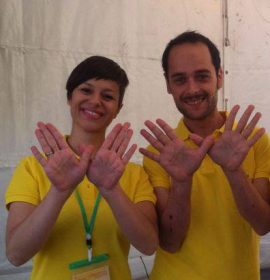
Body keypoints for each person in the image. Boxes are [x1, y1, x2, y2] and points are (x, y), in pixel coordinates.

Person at [5, 56, 158, 280]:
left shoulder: (132, 173)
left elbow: (148, 245)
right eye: (86, 90)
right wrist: (58, 192)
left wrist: (111, 189)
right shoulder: (33, 168)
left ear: (118, 108)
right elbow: (16, 255)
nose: (96, 101)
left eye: (107, 96)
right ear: (70, 97)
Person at [139, 31, 270, 280]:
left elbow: (263, 225)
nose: (192, 89)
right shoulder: (161, 151)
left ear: (219, 76)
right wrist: (181, 180)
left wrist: (234, 171)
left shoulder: (253, 140)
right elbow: (170, 242)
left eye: (202, 76)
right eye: (180, 79)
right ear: (168, 84)